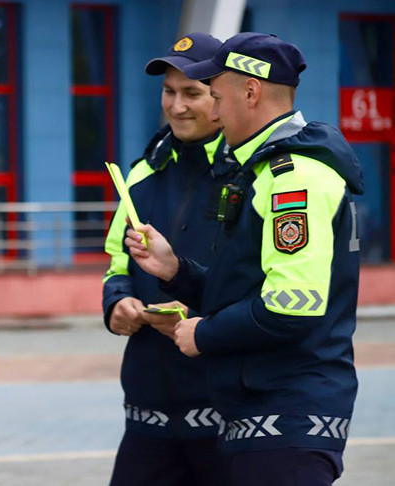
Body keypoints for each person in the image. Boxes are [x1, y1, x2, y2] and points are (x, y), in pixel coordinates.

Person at [124, 33, 363, 486]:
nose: (210, 112)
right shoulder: (263, 170)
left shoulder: (293, 177)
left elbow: (291, 305)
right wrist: (177, 271)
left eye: (215, 97)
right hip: (263, 416)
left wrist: (204, 333)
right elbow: (251, 284)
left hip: (286, 417)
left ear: (251, 93)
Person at [102, 32, 233, 486]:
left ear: (223, 96)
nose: (176, 106)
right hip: (148, 406)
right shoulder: (141, 172)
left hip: (224, 407)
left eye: (192, 93)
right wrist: (116, 301)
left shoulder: (250, 173)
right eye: (169, 92)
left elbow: (260, 282)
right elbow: (118, 261)